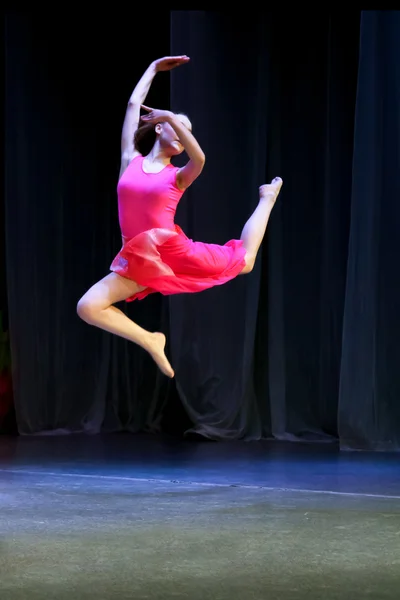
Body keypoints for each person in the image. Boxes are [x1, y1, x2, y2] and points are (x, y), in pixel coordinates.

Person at [77, 55, 282, 379]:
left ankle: (266, 200)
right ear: (158, 128)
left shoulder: (179, 176)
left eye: (186, 130)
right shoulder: (129, 160)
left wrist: (173, 117)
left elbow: (200, 156)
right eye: (175, 128)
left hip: (172, 252)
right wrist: (153, 69)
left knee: (245, 261)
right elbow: (133, 105)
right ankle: (150, 339)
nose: (182, 134)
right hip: (136, 260)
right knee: (87, 307)